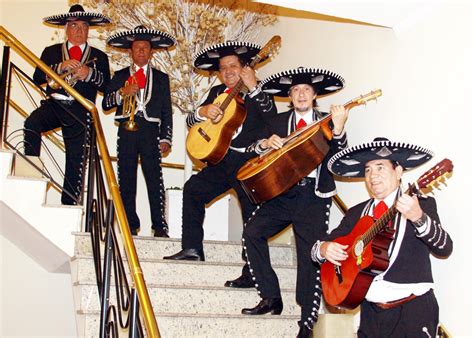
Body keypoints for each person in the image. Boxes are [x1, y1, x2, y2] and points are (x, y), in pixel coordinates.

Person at [239, 67, 349, 338]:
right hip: (282, 193)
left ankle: (306, 323)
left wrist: (340, 128)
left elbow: (341, 157)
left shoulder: (326, 122)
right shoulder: (278, 121)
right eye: (296, 91)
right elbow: (251, 147)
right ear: (290, 96)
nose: (301, 94)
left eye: (307, 91)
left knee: (310, 256)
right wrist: (265, 143)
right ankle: (270, 297)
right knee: (252, 232)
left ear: (314, 96)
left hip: (313, 197)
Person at [312, 137, 453, 337]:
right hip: (371, 315)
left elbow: (445, 248)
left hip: (412, 312)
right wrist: (324, 248)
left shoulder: (421, 205)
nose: (372, 176)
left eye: (380, 167)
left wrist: (418, 218)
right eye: (368, 170)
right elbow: (319, 248)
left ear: (398, 171)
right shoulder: (356, 213)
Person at [164, 42, 275, 289]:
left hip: (248, 162)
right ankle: (192, 248)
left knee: (251, 216)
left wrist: (254, 87)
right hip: (221, 160)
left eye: (232, 66)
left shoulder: (258, 91)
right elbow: (191, 120)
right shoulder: (216, 92)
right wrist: (203, 111)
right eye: (223, 68)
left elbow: (273, 119)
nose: (227, 71)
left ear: (244, 67)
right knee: (193, 189)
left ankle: (252, 271)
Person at [23, 4, 111, 205]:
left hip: (81, 109)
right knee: (32, 123)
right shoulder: (52, 51)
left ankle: (69, 202)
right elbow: (37, 78)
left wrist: (88, 74)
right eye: (74, 26)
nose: (79, 30)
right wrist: (59, 67)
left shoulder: (101, 57)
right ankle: (31, 173)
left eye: (83, 26)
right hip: (55, 104)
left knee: (75, 156)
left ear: (89, 29)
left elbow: (107, 87)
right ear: (66, 28)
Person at [102, 26, 174, 237]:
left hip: (151, 130)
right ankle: (130, 224)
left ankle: (159, 226)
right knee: (126, 178)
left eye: (145, 48)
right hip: (127, 130)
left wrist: (166, 138)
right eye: (137, 48)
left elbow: (167, 111)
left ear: (151, 52)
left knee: (155, 179)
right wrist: (121, 93)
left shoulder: (161, 78)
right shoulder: (120, 75)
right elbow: (106, 103)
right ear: (130, 52)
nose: (141, 51)